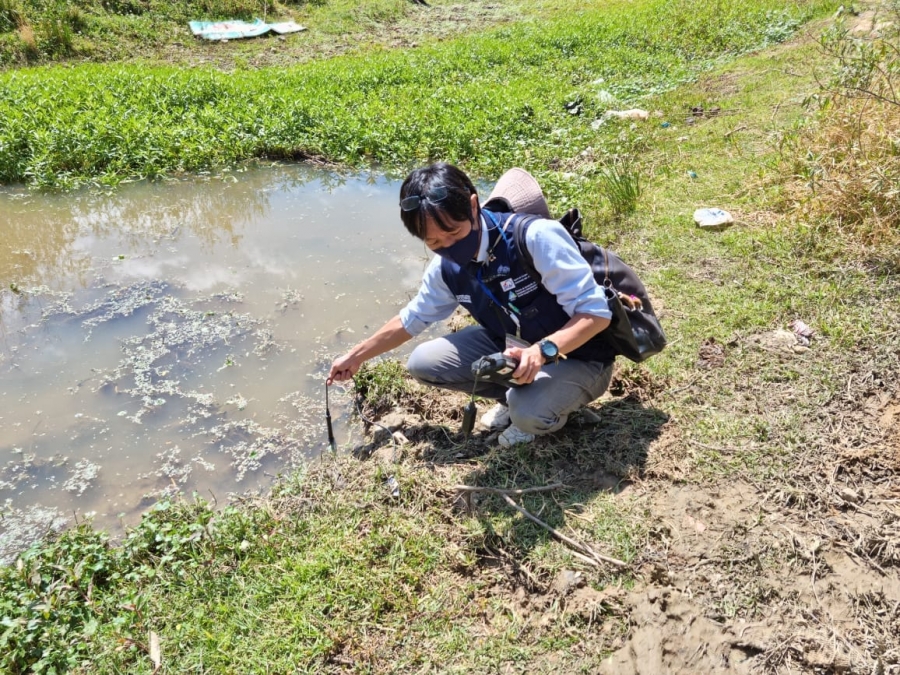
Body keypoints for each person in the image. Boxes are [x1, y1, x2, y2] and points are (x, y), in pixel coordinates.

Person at [327, 162, 616, 447]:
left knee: (528, 413)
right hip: (511, 345)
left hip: (580, 355)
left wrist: (542, 351)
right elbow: (411, 319)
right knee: (423, 363)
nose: (449, 247)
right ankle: (514, 395)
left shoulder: (536, 237)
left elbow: (596, 314)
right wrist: (356, 357)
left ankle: (540, 409)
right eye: (435, 242)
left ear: (473, 205)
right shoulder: (445, 269)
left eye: (454, 233)